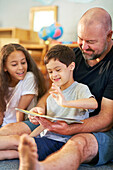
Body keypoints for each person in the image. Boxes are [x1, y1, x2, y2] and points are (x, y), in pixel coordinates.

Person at [18, 7, 113, 170]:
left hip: (97, 130)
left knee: (77, 144)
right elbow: (52, 91)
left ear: (109, 35)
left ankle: (40, 168)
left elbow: (106, 119)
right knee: (17, 129)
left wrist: (70, 129)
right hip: (59, 119)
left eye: (91, 42)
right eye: (80, 39)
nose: (83, 46)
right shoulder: (74, 55)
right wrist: (40, 108)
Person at [0, 44, 98, 160]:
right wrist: (30, 136)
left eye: (58, 70)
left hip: (61, 143)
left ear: (71, 66)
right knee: (13, 152)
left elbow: (93, 104)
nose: (54, 75)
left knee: (16, 142)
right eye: (50, 72)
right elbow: (46, 125)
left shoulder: (80, 89)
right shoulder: (53, 95)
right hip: (46, 139)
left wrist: (65, 102)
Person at [0, 43, 47, 127]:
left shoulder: (29, 77)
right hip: (5, 124)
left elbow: (20, 111)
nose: (21, 68)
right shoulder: (2, 81)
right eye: (14, 64)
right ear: (4, 67)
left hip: (25, 123)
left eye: (23, 62)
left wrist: (18, 130)